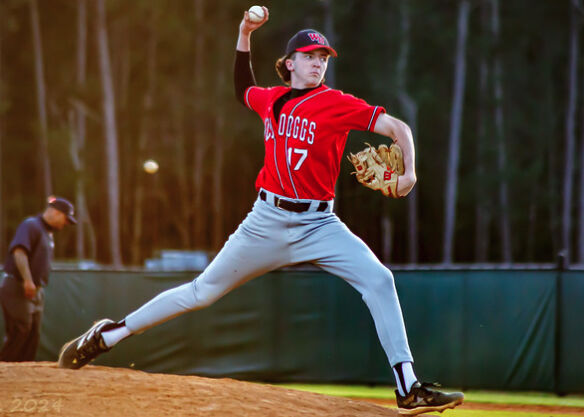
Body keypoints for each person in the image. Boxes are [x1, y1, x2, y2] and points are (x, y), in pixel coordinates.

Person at [58, 8, 463, 416]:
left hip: (319, 223)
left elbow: (398, 128)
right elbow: (241, 88)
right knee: (202, 292)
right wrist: (244, 33)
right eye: (310, 56)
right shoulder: (272, 99)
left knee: (379, 279)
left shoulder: (337, 104)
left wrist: (409, 172)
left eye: (323, 57)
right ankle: (109, 334)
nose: (318, 63)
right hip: (265, 222)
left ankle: (408, 386)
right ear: (290, 63)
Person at [0, 196, 76, 361]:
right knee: (20, 331)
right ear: (55, 212)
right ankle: (5, 371)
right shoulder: (31, 225)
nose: (66, 224)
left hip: (36, 289)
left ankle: (25, 374)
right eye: (65, 219)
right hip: (18, 285)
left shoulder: (48, 233)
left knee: (33, 335)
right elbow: (19, 252)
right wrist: (27, 280)